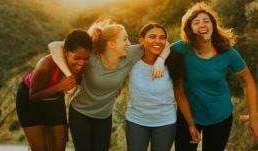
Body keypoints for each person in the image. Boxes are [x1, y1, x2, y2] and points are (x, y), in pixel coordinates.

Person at [48, 20, 169, 151]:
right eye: (125, 39)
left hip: (104, 117)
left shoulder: (130, 54)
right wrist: (68, 75)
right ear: (111, 44)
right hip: (80, 113)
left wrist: (160, 61)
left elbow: (163, 44)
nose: (129, 43)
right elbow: (54, 45)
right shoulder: (92, 58)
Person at [170, 2, 258, 151]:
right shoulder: (180, 49)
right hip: (188, 115)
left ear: (213, 25)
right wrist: (191, 124)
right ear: (189, 29)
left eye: (206, 21)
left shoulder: (227, 52)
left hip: (220, 116)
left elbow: (248, 82)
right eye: (196, 22)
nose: (202, 24)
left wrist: (254, 117)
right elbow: (178, 88)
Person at [125, 23, 200, 151]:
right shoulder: (132, 60)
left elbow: (180, 95)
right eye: (152, 37)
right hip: (136, 121)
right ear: (141, 40)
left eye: (162, 37)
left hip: (165, 123)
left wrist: (191, 124)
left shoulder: (173, 63)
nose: (157, 41)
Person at [15, 29, 92, 151]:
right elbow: (33, 96)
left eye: (86, 58)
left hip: (54, 99)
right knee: (40, 148)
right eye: (77, 57)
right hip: (29, 100)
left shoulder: (82, 66)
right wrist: (60, 86)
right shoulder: (46, 65)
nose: (81, 63)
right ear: (65, 52)